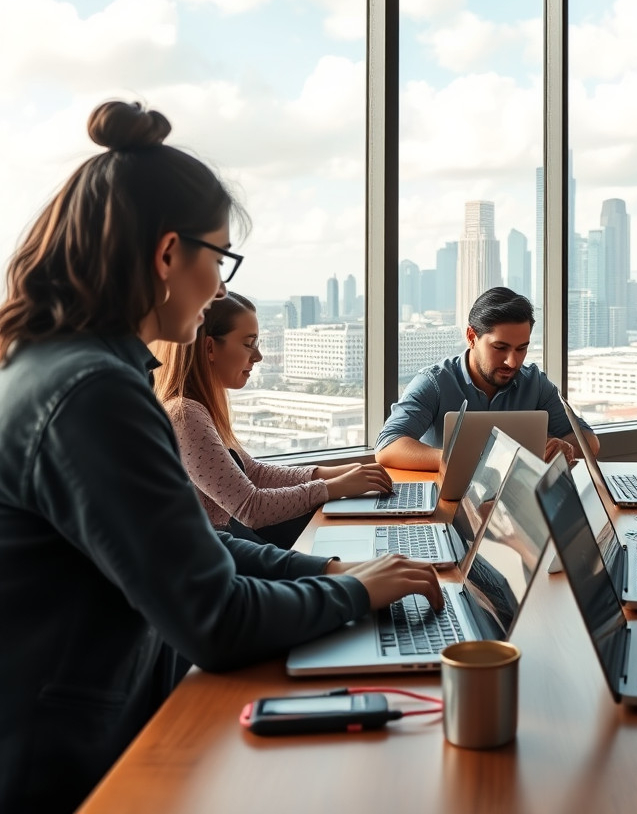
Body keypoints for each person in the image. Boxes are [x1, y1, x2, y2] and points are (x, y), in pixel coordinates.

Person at [0, 100, 441, 813]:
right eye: (220, 259)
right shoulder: (92, 394)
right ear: (167, 255)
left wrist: (331, 571)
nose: (220, 288)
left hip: (107, 730)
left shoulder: (71, 370)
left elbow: (193, 543)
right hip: (70, 771)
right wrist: (357, 595)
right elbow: (217, 620)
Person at [155, 291, 393, 548]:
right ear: (210, 348)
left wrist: (341, 473)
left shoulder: (197, 409)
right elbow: (251, 508)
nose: (258, 356)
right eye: (249, 344)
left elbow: (255, 473)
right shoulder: (185, 415)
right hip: (217, 560)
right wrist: (333, 487)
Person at [375, 286, 598, 470]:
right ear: (471, 337)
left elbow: (589, 441)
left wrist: (565, 448)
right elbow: (388, 445)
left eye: (521, 348)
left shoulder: (535, 383)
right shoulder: (434, 382)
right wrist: (457, 460)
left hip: (515, 501)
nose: (512, 362)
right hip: (445, 496)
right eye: (500, 347)